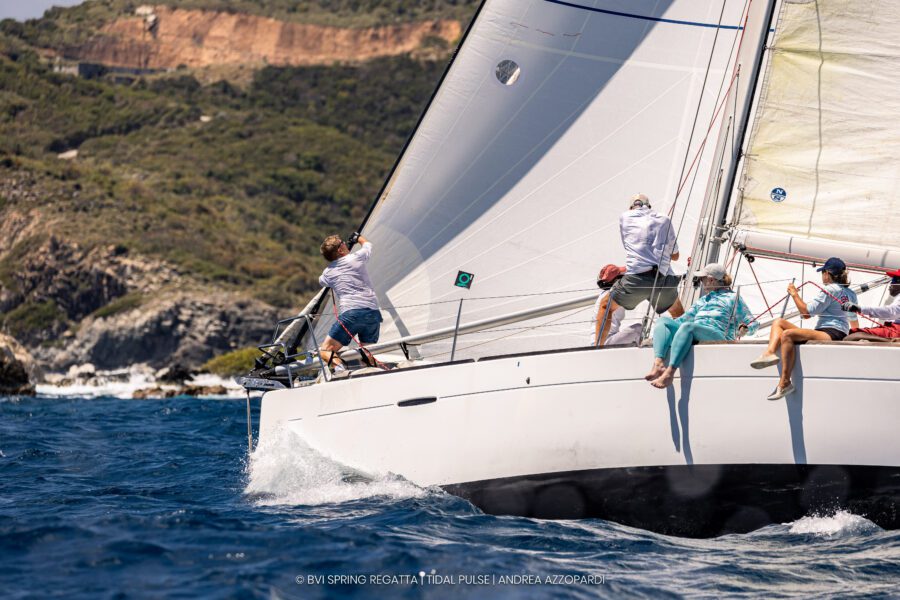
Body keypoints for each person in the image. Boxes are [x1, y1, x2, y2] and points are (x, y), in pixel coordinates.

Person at [750, 257, 858, 400]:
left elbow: (806, 313)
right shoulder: (851, 293)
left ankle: (785, 383)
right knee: (778, 322)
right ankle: (769, 354)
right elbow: (854, 321)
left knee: (787, 334)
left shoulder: (829, 289)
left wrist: (794, 294)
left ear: (827, 273)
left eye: (822, 273)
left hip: (830, 333)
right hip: (838, 333)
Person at [646, 263, 757, 389]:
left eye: (703, 278)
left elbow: (752, 323)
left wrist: (746, 328)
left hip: (719, 336)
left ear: (711, 280)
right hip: (694, 330)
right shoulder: (703, 300)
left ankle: (670, 373)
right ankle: (658, 363)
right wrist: (661, 334)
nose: (701, 281)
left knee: (688, 327)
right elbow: (682, 320)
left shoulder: (733, 298)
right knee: (662, 321)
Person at [596, 193, 685, 346]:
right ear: (649, 206)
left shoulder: (625, 217)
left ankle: (598, 348)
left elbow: (629, 245)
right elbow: (675, 256)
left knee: (605, 306)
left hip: (637, 280)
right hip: (663, 280)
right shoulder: (664, 219)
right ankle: (686, 345)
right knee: (678, 312)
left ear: (631, 207)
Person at [317, 233, 382, 372]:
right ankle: (375, 372)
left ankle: (341, 370)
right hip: (373, 313)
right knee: (367, 352)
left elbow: (321, 281)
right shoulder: (356, 257)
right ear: (340, 250)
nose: (346, 244)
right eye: (343, 243)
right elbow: (368, 245)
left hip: (351, 314)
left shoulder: (327, 273)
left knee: (325, 350)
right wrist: (358, 238)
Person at [591, 264, 642, 346]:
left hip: (599, 341)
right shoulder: (615, 296)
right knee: (638, 328)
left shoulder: (604, 295)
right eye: (623, 277)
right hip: (604, 342)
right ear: (616, 280)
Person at [843, 268, 900, 341]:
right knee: (852, 334)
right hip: (893, 329)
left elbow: (892, 312)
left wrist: (860, 309)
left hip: (896, 331)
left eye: (894, 280)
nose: (891, 284)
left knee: (852, 336)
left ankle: (889, 341)